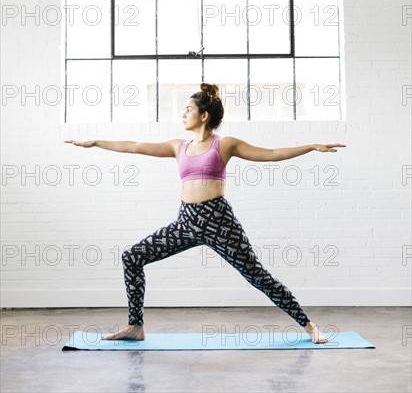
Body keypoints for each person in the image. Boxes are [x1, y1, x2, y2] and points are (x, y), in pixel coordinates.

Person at [64, 82, 346, 344]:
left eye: (188, 109)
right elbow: (135, 146)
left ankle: (310, 327)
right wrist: (97, 142)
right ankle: (135, 326)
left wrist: (311, 146)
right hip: (186, 222)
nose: (183, 114)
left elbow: (271, 153)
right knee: (132, 257)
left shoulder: (224, 144)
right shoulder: (179, 146)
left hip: (218, 221)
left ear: (204, 115)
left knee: (257, 276)